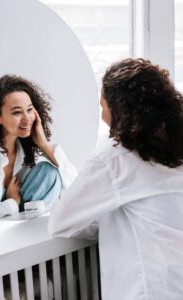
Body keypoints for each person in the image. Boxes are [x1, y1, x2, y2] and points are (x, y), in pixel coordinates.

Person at [48, 58, 183, 300]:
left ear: (120, 111)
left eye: (103, 107)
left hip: (151, 290)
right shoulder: (176, 147)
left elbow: (61, 222)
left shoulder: (114, 158)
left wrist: (109, 216)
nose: (101, 115)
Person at [0, 75, 77, 219]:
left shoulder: (26, 148)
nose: (27, 118)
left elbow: (74, 186)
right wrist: (12, 202)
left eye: (30, 110)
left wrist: (43, 145)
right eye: (17, 112)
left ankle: (32, 229)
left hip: (21, 224)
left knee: (49, 172)